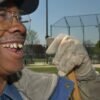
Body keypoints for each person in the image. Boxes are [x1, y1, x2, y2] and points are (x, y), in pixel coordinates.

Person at [0, 0, 100, 100]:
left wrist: (87, 79)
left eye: (19, 18)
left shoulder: (45, 89)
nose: (21, 27)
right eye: (1, 15)